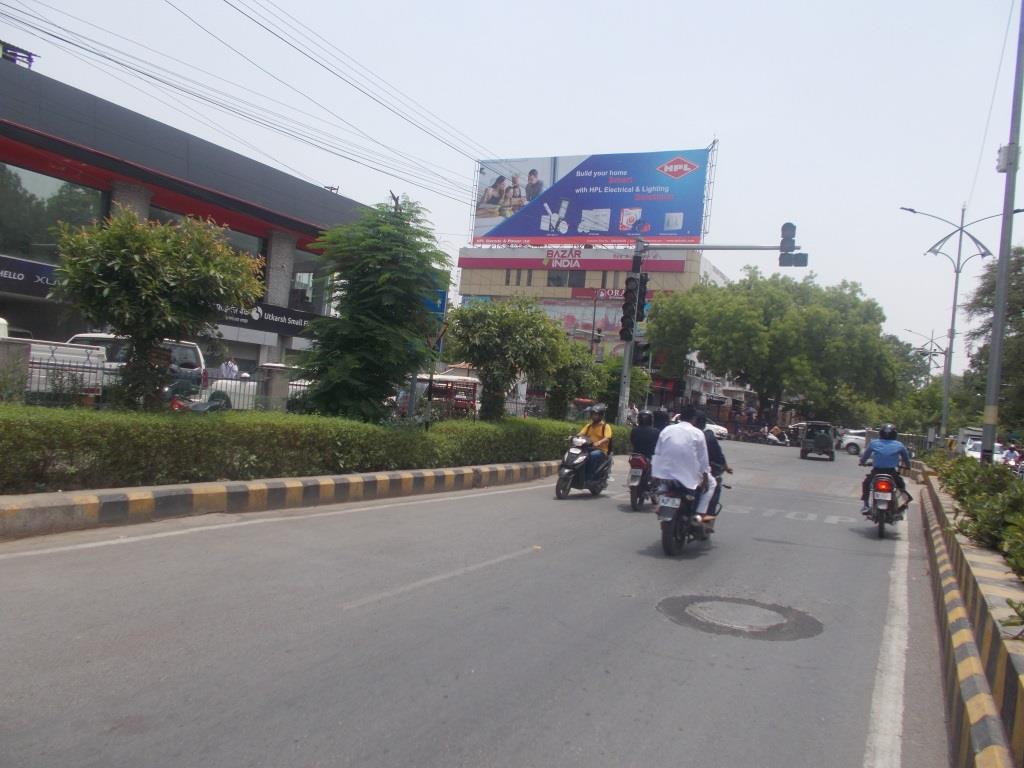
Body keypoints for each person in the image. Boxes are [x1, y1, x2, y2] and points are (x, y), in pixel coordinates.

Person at [652, 403, 712, 520]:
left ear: (679, 417)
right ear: (694, 419)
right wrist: (705, 478)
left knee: (664, 489)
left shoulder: (667, 430)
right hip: (687, 478)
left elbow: (657, 452)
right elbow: (703, 459)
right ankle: (698, 515)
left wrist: (655, 475)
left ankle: (662, 506)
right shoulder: (698, 433)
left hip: (666, 476)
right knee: (702, 491)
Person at [859, 424, 913, 514]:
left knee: (866, 484)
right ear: (895, 434)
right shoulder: (899, 445)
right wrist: (908, 466)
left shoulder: (874, 443)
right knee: (901, 485)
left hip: (877, 472)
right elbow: (906, 458)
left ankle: (865, 505)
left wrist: (862, 462)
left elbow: (865, 456)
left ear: (881, 433)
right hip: (891, 472)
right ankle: (902, 505)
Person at [695, 412, 732, 524]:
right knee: (714, 485)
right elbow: (717, 455)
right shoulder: (707, 436)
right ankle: (706, 516)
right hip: (696, 471)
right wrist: (726, 467)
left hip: (675, 470)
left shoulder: (677, 432)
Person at [578, 403, 612, 481]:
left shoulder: (605, 426)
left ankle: (589, 477)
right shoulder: (589, 425)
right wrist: (574, 437)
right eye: (593, 414)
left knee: (592, 456)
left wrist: (599, 442)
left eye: (596, 415)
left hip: (601, 450)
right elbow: (581, 433)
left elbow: (607, 438)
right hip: (588, 447)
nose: (594, 416)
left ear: (600, 416)